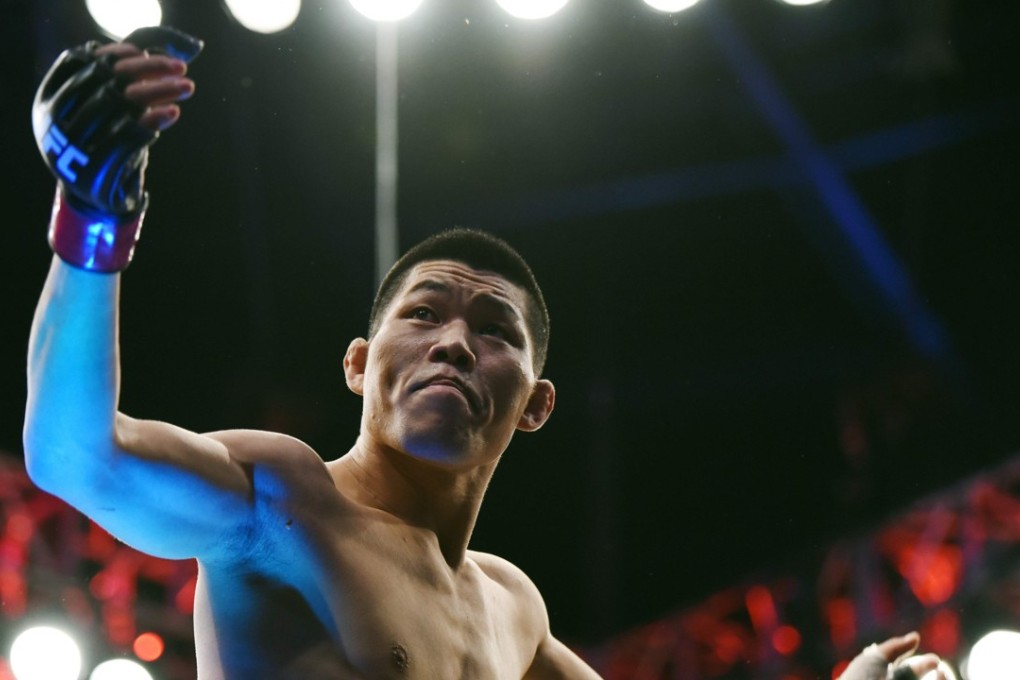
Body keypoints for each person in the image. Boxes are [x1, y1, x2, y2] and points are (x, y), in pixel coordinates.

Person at [23, 29, 952, 680]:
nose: (455, 344)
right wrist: (93, 221)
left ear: (537, 402)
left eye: (494, 331)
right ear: (358, 364)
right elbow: (73, 455)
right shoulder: (284, 500)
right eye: (425, 314)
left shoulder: (512, 609)